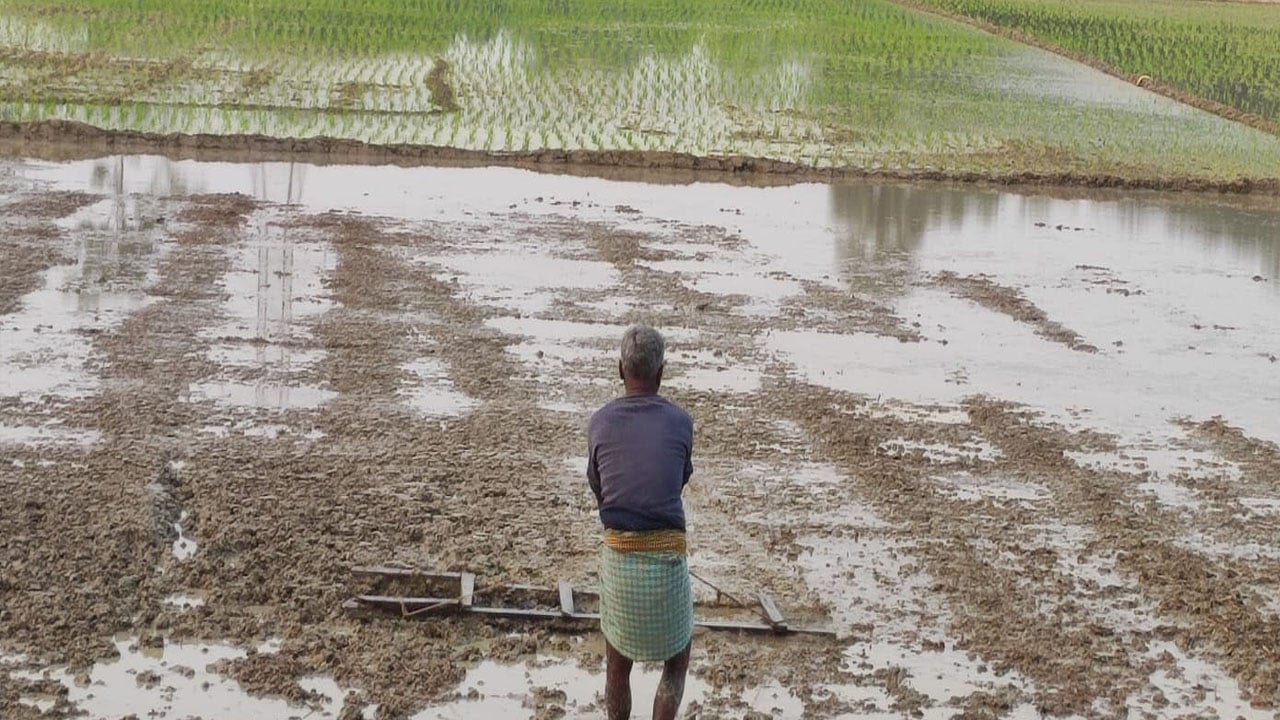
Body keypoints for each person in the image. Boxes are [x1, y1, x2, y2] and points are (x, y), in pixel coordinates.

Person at [587, 325, 695, 720]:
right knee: (677, 661)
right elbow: (679, 479)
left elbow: (599, 487)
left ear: (620, 370)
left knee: (617, 663)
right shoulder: (681, 422)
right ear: (661, 374)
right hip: (667, 565)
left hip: (619, 562)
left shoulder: (600, 422)